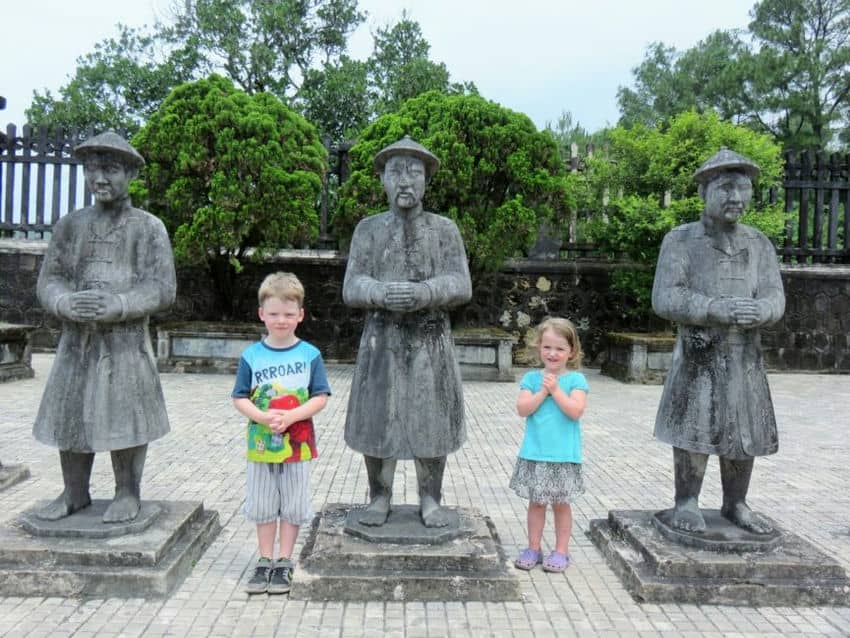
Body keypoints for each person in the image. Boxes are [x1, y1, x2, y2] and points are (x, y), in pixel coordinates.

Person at [33, 131, 176, 524]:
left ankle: (127, 491)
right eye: (92, 169)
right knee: (71, 412)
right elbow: (50, 279)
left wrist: (121, 304)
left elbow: (162, 287)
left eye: (110, 169)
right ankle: (74, 491)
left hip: (125, 342)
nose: (99, 178)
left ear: (130, 174)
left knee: (125, 414)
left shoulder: (148, 228)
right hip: (76, 340)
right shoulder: (70, 226)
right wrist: (64, 302)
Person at [652, 148, 785, 535]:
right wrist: (713, 308)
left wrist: (761, 311)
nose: (736, 198)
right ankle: (686, 501)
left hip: (746, 358)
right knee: (694, 426)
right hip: (700, 355)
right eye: (726, 188)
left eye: (743, 189)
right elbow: (665, 297)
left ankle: (736, 502)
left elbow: (775, 296)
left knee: (744, 431)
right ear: (704, 193)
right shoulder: (681, 241)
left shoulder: (759, 244)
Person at [343, 136, 472, 528]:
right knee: (377, 419)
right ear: (382, 179)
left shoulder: (444, 230)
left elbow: (461, 283)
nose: (405, 181)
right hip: (381, 340)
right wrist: (380, 292)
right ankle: (378, 496)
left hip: (429, 341)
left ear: (426, 181)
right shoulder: (368, 230)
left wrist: (426, 292)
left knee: (430, 419)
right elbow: (352, 285)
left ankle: (430, 497)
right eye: (396, 172)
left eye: (414, 172)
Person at [232, 272, 330, 595]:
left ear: (301, 315)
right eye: (274, 313)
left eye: (289, 314)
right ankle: (264, 559)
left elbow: (320, 397)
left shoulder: (310, 355)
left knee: (293, 503)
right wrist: (263, 417)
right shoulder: (251, 356)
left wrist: (291, 417)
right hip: (261, 444)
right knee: (262, 503)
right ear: (261, 313)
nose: (281, 320)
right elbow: (239, 397)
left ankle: (284, 560)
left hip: (298, 446)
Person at [510, 317, 588, 573]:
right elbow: (523, 409)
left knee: (561, 504)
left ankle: (561, 551)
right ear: (539, 347)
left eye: (560, 348)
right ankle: (533, 548)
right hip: (535, 453)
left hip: (563, 456)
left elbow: (575, 411)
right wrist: (543, 391)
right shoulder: (532, 379)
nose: (552, 353)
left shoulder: (576, 380)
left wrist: (556, 390)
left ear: (571, 351)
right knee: (536, 503)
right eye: (547, 347)